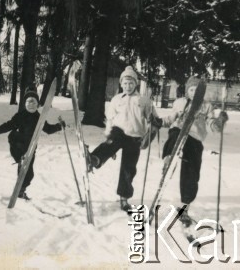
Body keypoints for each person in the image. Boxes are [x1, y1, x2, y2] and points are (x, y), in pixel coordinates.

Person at [89, 66, 160, 212]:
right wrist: (108, 135)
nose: (128, 86)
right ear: (121, 84)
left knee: (128, 168)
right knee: (111, 142)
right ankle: (95, 158)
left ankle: (124, 197)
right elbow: (110, 119)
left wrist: (154, 121)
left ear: (136, 84)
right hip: (118, 131)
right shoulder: (116, 99)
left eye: (131, 83)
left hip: (135, 137)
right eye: (125, 83)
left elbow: (152, 118)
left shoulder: (143, 100)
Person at [160, 76, 228, 225]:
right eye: (191, 90)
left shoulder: (206, 107)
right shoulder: (180, 103)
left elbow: (210, 124)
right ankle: (169, 158)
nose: (194, 93)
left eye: (197, 90)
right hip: (180, 133)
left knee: (191, 174)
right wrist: (159, 121)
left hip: (195, 140)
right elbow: (171, 118)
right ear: (187, 91)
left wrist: (218, 123)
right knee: (175, 134)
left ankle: (185, 207)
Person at [0, 86, 65, 200]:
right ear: (25, 103)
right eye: (28, 101)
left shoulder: (39, 117)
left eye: (34, 102)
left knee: (29, 174)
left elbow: (47, 129)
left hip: (31, 148)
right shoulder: (20, 116)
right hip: (18, 144)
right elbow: (8, 126)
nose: (31, 104)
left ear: (37, 104)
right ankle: (20, 159)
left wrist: (58, 126)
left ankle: (20, 190)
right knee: (16, 143)